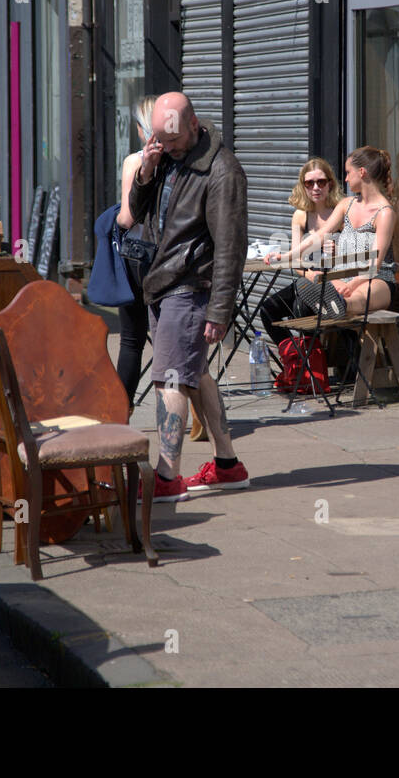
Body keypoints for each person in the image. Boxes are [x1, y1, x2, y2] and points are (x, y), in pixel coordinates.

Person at [128, 91, 249, 502]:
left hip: (190, 286)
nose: (169, 149)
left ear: (193, 125)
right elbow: (137, 212)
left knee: (170, 379)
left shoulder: (221, 169)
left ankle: (167, 477)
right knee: (193, 374)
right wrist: (147, 170)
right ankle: (229, 465)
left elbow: (230, 245)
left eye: (174, 143)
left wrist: (220, 309)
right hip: (163, 283)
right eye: (160, 141)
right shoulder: (166, 158)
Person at [266, 145, 396, 320]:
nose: (347, 179)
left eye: (349, 173)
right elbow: (319, 236)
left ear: (362, 172)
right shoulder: (346, 204)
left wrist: (352, 284)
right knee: (320, 286)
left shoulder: (385, 212)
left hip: (373, 278)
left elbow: (375, 263)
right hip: (341, 274)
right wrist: (287, 256)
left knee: (359, 296)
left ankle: (339, 304)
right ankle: (331, 301)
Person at [258, 157, 342, 346]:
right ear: (303, 186)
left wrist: (338, 252)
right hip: (308, 279)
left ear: (330, 183)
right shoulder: (301, 215)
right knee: (268, 309)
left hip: (338, 282)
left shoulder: (341, 212)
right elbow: (296, 258)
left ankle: (312, 365)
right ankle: (294, 358)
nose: (315, 188)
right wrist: (309, 274)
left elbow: (356, 255)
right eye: (309, 183)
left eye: (320, 182)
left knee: (302, 307)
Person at [113, 95, 158, 407]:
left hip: (139, 259)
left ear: (143, 130)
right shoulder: (184, 161)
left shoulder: (135, 161)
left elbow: (127, 218)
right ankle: (200, 418)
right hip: (176, 259)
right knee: (178, 342)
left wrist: (113, 216)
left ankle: (119, 413)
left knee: (131, 341)